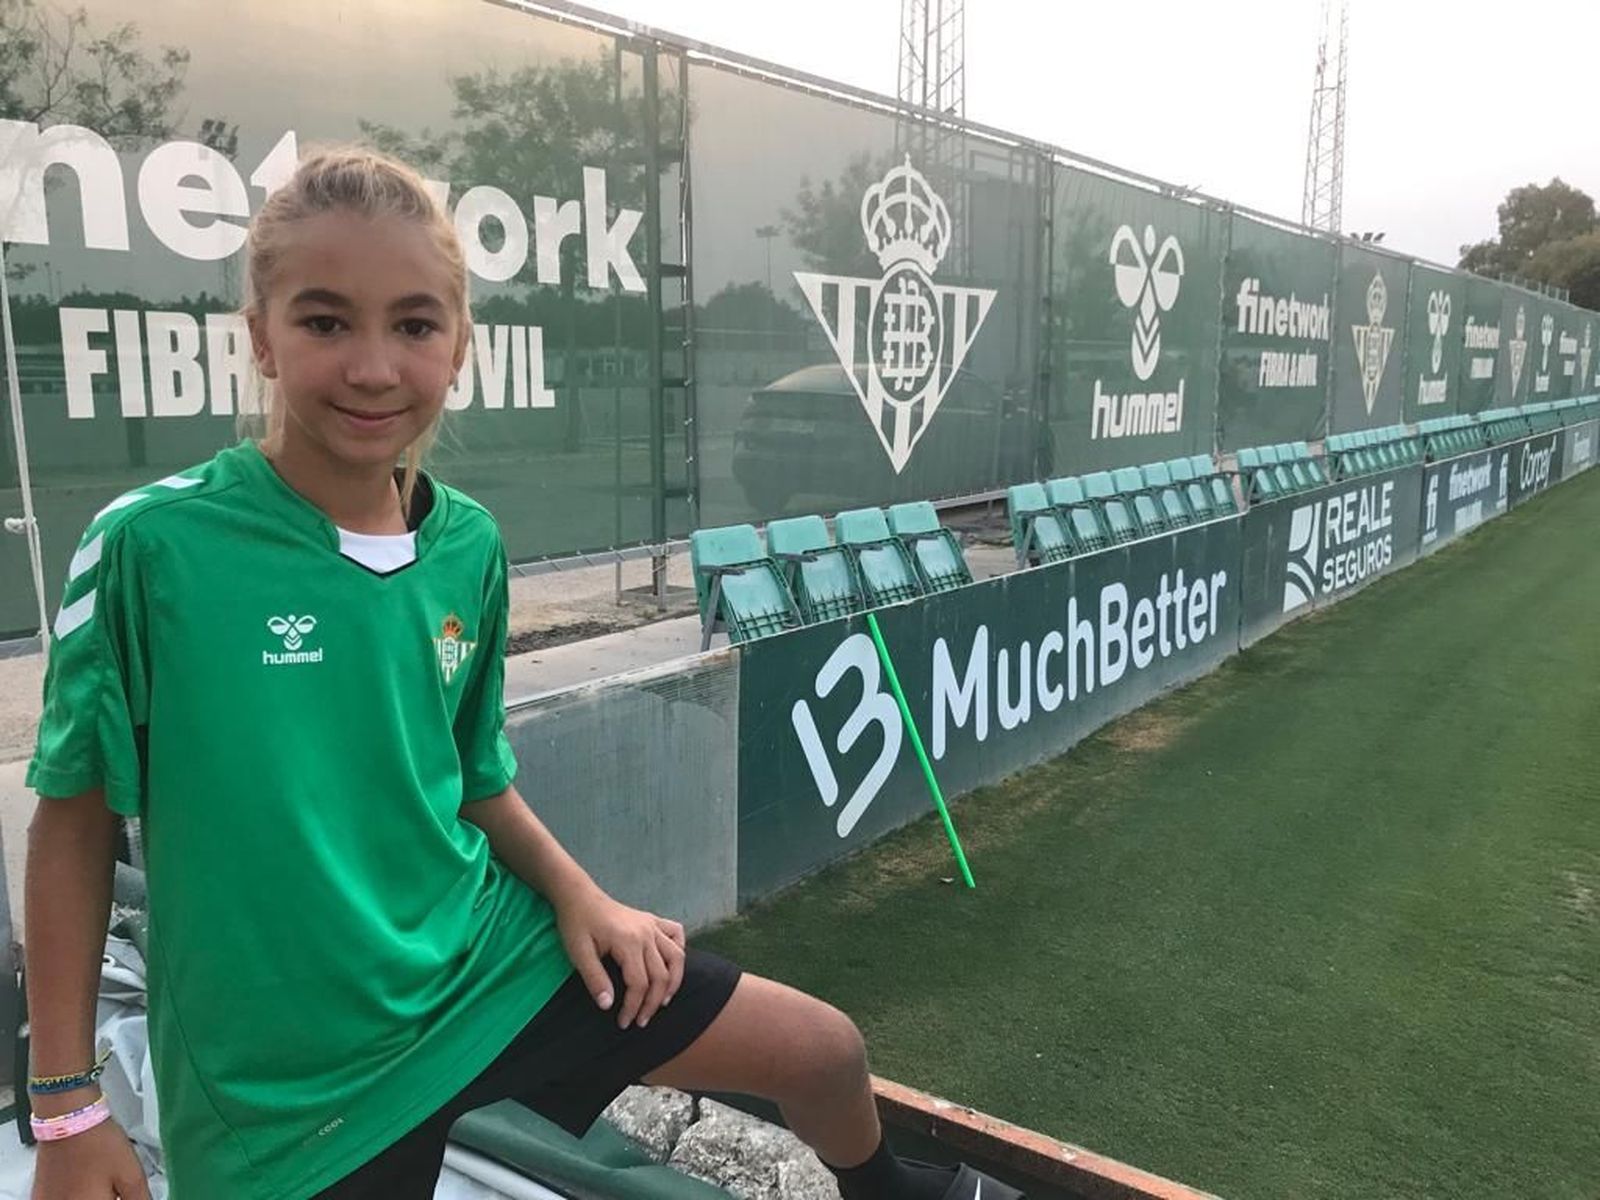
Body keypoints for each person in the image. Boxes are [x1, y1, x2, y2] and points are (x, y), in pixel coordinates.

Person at [23, 147, 1020, 1200]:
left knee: (821, 1050)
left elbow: (472, 772)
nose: (373, 366)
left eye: (414, 324)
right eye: (325, 321)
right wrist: (67, 1108)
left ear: (458, 349)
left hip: (484, 967)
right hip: (289, 1086)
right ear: (260, 336)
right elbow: (73, 825)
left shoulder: (469, 547)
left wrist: (584, 898)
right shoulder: (153, 547)